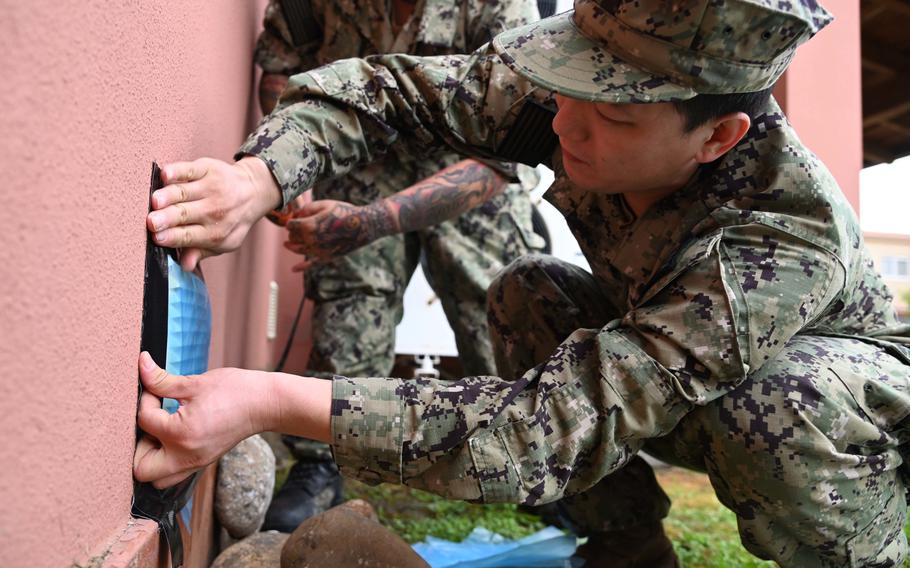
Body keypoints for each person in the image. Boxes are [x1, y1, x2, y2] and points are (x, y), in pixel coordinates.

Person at [136, 1, 910, 565]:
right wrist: (261, 176)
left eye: (617, 119)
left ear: (718, 136)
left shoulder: (778, 237)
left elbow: (547, 429)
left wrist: (268, 401)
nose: (568, 124)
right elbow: (390, 91)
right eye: (572, 88)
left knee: (777, 400)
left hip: (833, 414)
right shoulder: (582, 87)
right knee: (526, 290)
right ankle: (625, 553)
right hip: (657, 359)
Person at [251, 0, 544, 532]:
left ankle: (553, 467)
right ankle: (320, 466)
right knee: (351, 304)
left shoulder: (501, 6)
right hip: (362, 157)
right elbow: (280, 65)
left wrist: (369, 223)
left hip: (469, 164)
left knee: (505, 308)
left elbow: (507, 155)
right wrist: (284, 175)